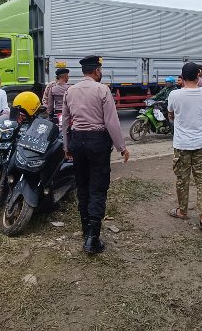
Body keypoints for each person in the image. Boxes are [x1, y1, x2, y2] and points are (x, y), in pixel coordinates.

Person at [62, 55, 129, 254]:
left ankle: (86, 230)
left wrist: (67, 146)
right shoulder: (102, 89)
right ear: (97, 71)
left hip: (77, 142)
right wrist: (121, 147)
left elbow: (65, 122)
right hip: (97, 142)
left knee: (82, 186)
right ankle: (93, 239)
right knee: (98, 188)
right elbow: (111, 122)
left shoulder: (70, 90)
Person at [166, 62, 202, 231]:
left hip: (182, 144)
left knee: (182, 179)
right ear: (198, 76)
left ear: (182, 76)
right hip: (201, 143)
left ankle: (183, 210)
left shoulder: (174, 95)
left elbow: (171, 114)